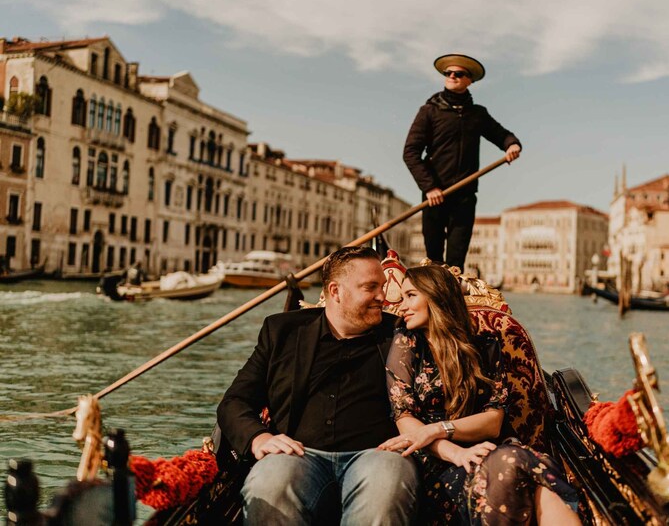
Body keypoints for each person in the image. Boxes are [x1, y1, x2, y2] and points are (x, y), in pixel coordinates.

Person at [217, 246, 419, 525]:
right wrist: (259, 438)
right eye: (370, 287)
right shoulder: (282, 332)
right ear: (335, 292)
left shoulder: (401, 333)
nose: (383, 297)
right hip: (298, 456)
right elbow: (234, 402)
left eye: (382, 286)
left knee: (386, 484)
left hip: (376, 456)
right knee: (268, 484)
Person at [378, 265, 581, 525]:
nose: (400, 306)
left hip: (487, 449)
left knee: (521, 474)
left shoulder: (485, 346)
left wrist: (438, 428)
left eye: (411, 296)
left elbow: (493, 422)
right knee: (520, 471)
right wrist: (456, 453)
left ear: (437, 296)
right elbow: (405, 420)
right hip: (436, 461)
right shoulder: (406, 343)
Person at [403, 53, 522, 273]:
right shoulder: (429, 111)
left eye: (459, 74)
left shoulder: (477, 115)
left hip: (464, 197)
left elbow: (502, 134)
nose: (452, 76)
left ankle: (453, 301)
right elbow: (410, 152)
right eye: (448, 73)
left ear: (470, 80)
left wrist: (512, 145)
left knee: (456, 263)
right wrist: (429, 187)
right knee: (434, 262)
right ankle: (433, 301)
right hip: (435, 197)